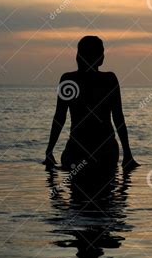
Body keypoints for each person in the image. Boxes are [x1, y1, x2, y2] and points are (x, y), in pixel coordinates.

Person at [43, 36, 139, 170]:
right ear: (101, 59)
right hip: (106, 151)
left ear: (78, 57)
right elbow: (118, 118)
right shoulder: (109, 79)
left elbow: (59, 117)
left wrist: (49, 151)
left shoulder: (68, 80)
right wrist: (127, 153)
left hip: (78, 151)